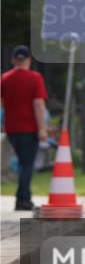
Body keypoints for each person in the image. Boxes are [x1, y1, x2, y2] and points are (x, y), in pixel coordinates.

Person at [1, 46, 49, 211]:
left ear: (13, 60)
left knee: (22, 163)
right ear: (29, 60)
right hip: (29, 128)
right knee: (27, 164)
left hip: (11, 129)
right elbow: (38, 104)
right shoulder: (35, 78)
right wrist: (42, 128)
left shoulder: (4, 78)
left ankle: (23, 198)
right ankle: (22, 200)